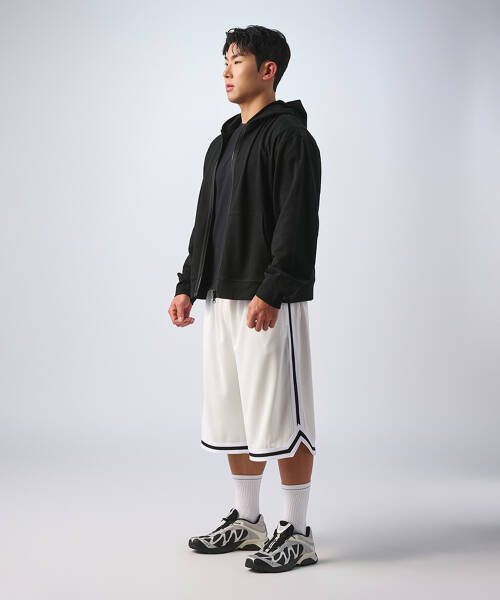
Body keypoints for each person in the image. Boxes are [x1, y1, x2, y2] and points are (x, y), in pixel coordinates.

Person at [168, 25, 321, 573]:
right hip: (221, 296)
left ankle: (297, 531)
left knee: (281, 415)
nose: (227, 70)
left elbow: (297, 222)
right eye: (225, 61)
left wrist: (273, 290)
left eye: (237, 60)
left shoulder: (291, 138)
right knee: (232, 414)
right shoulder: (223, 143)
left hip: (267, 301)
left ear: (268, 69)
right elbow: (204, 221)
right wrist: (187, 284)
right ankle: (249, 520)